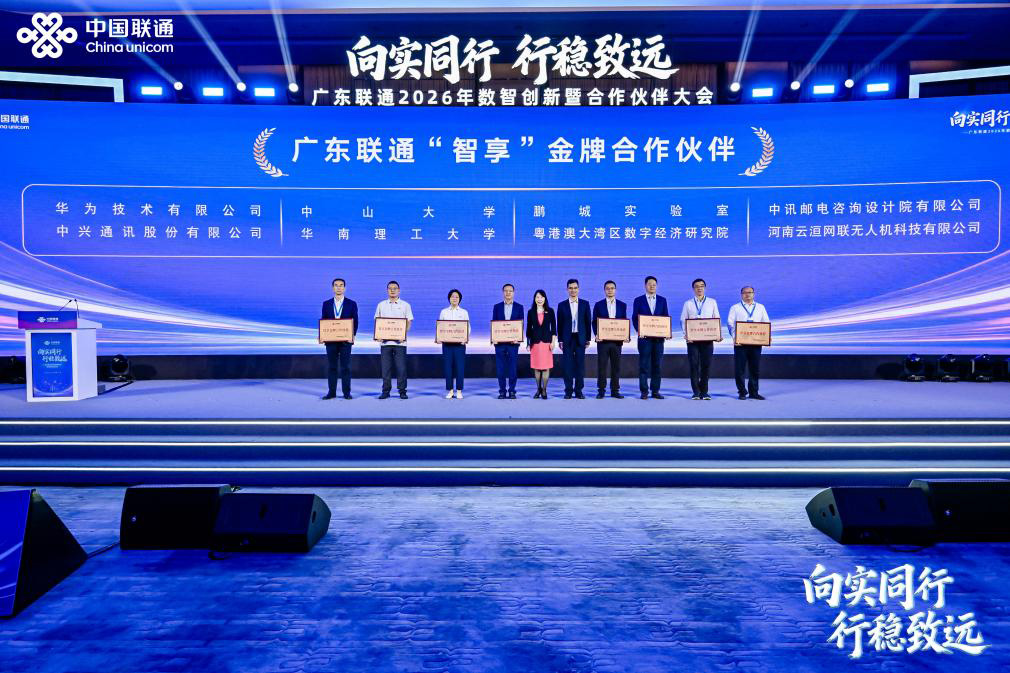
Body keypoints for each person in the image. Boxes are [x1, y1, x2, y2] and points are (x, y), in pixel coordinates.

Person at [680, 278, 721, 400]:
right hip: (692, 340)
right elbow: (683, 320)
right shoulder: (688, 303)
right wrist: (686, 335)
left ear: (705, 288)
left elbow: (716, 318)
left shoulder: (712, 302)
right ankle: (696, 392)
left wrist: (717, 334)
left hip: (707, 340)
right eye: (697, 286)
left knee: (706, 365)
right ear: (693, 289)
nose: (699, 288)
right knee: (694, 365)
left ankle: (704, 391)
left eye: (702, 286)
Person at [726, 285, 770, 400]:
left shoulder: (760, 307)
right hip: (740, 343)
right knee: (739, 369)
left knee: (754, 368)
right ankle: (742, 392)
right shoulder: (735, 308)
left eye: (750, 292)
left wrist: (767, 337)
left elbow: (766, 323)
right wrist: (735, 338)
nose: (747, 294)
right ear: (741, 295)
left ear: (753, 294)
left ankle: (754, 392)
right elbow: (730, 324)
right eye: (745, 292)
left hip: (756, 343)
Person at [631, 275, 670, 400]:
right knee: (643, 366)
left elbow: (665, 317)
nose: (652, 286)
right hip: (644, 339)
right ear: (645, 286)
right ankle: (644, 391)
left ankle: (655, 391)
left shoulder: (662, 300)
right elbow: (634, 318)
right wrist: (639, 331)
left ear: (656, 286)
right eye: (649, 284)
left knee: (657, 365)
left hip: (658, 340)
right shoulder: (638, 300)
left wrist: (666, 332)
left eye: (654, 284)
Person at [321, 277, 358, 400]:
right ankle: (331, 392)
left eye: (341, 285)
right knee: (332, 367)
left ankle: (346, 393)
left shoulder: (351, 303)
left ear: (344, 288)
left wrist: (352, 336)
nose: (339, 287)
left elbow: (355, 321)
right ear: (333, 288)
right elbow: (324, 321)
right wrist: (322, 335)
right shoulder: (326, 304)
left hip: (346, 341)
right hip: (330, 341)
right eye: (336, 285)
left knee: (345, 367)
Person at [374, 280, 413, 399]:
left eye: (395, 288)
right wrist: (378, 335)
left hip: (400, 343)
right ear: (387, 290)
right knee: (385, 368)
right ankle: (386, 391)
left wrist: (403, 335)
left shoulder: (405, 305)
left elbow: (409, 322)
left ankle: (402, 391)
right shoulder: (381, 305)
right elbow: (377, 322)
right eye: (390, 288)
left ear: (399, 290)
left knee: (401, 368)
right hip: (384, 343)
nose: (392, 290)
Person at [556, 278, 593, 399]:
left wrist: (588, 338)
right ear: (567, 289)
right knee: (567, 366)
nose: (573, 290)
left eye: (575, 288)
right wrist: (560, 340)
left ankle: (579, 391)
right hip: (567, 339)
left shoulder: (585, 304)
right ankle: (568, 391)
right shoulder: (561, 305)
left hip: (580, 338)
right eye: (571, 288)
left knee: (580, 366)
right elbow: (559, 324)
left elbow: (588, 322)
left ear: (579, 289)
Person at [592, 280, 627, 399]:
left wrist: (625, 335)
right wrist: (597, 334)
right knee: (602, 366)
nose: (610, 290)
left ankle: (615, 390)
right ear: (604, 290)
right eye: (607, 288)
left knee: (616, 366)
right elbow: (594, 322)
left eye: (612, 288)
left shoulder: (622, 305)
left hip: (617, 342)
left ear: (615, 290)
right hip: (603, 342)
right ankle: (601, 390)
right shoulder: (598, 304)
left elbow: (624, 322)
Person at [492, 283, 523, 399]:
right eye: (506, 291)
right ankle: (502, 391)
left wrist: (519, 338)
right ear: (503, 292)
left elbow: (521, 324)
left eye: (510, 291)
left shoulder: (519, 307)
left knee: (512, 368)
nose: (508, 293)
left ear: (514, 293)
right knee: (500, 368)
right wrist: (494, 338)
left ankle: (512, 391)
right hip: (499, 343)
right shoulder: (497, 307)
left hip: (513, 344)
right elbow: (494, 324)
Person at [525, 289, 557, 399]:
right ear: (534, 299)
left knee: (546, 367)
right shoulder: (531, 312)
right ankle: (538, 389)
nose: (539, 299)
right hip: (535, 343)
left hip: (546, 343)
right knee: (537, 367)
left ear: (545, 298)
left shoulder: (550, 311)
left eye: (541, 297)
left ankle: (544, 390)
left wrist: (553, 342)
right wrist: (528, 343)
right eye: (537, 297)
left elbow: (554, 328)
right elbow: (528, 329)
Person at [439, 289, 469, 399]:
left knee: (460, 367)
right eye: (452, 296)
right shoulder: (444, 312)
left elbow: (468, 327)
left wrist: (465, 338)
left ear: (460, 299)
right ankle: (450, 390)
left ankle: (459, 390)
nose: (454, 298)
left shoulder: (464, 312)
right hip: (447, 345)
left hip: (460, 345)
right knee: (448, 367)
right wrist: (439, 337)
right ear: (449, 298)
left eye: (457, 297)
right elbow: (440, 327)